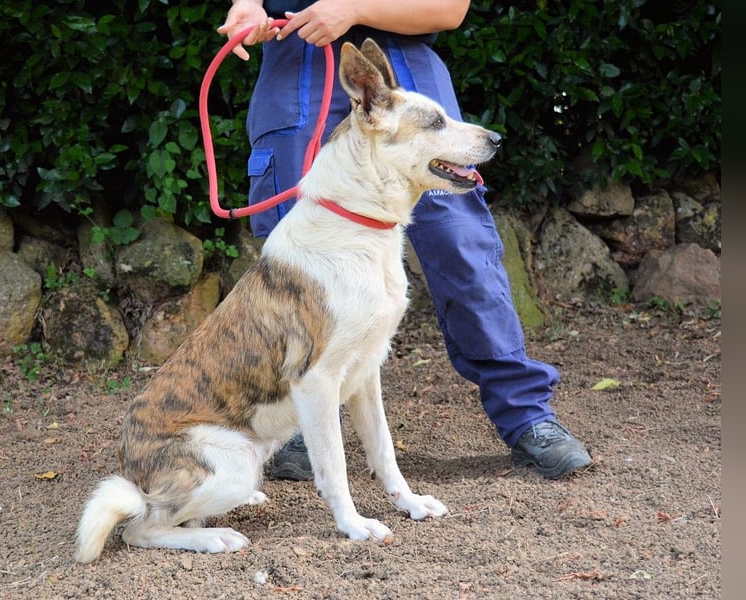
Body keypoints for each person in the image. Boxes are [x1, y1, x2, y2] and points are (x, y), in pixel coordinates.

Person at [218, 0, 592, 480]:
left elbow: (449, 8)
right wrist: (246, 6)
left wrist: (350, 9)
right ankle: (292, 425)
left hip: (403, 63)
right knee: (292, 259)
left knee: (460, 243)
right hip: (298, 69)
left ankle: (528, 417)